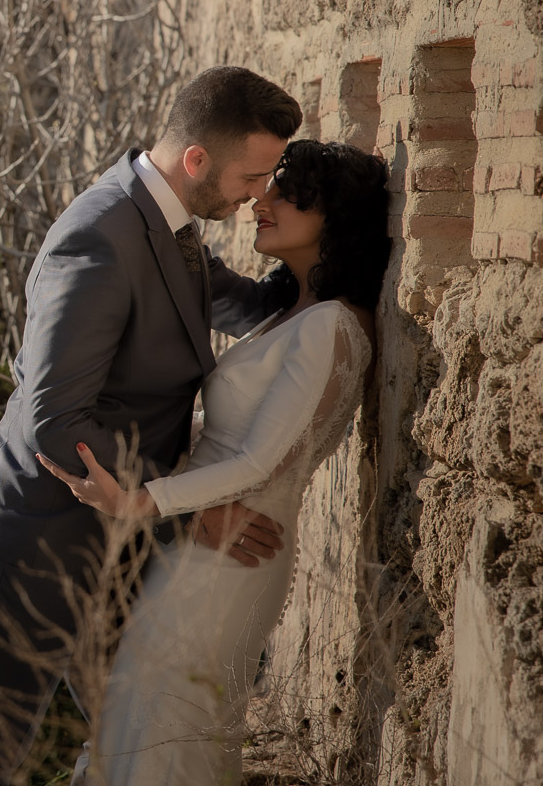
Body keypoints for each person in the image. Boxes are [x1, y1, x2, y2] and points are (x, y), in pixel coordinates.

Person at [0, 66, 305, 786]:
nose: (259, 193)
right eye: (252, 178)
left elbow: (253, 307)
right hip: (34, 539)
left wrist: (327, 242)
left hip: (112, 540)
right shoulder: (99, 238)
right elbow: (53, 420)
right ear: (197, 160)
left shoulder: (172, 222)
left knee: (133, 730)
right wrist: (179, 507)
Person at [37, 139, 390, 784]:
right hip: (203, 540)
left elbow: (261, 460)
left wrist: (144, 501)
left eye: (288, 193)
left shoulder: (331, 326)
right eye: (266, 185)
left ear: (335, 217)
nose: (263, 199)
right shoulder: (294, 314)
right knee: (145, 716)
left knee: (169, 728)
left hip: (234, 551)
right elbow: (229, 430)